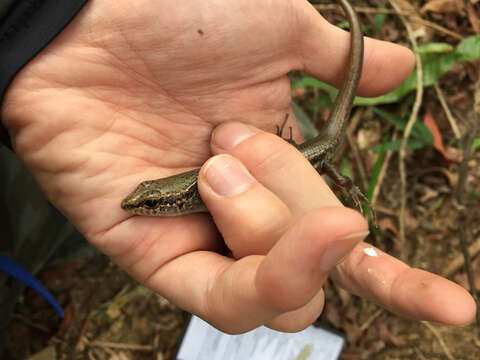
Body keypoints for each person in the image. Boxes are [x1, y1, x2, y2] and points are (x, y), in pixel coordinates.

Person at [0, 0, 475, 333]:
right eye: (145, 202)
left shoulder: (191, 196)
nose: (138, 206)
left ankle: (344, 185)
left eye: (148, 202)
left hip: (319, 154)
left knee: (314, 167)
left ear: (170, 201)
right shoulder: (182, 196)